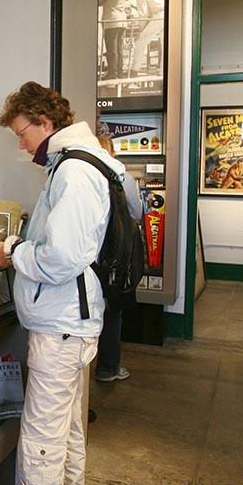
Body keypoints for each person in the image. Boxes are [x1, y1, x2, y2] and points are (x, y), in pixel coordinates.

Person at [0, 82, 117, 485]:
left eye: (20, 133)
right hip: (71, 327)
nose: (20, 146)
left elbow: (62, 258)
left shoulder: (75, 172)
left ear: (42, 120)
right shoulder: (85, 163)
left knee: (39, 454)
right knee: (68, 440)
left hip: (60, 331)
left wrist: (13, 251)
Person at [94, 131, 143, 383]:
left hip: (91, 256)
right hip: (116, 256)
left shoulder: (84, 174)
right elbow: (137, 212)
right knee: (112, 312)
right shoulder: (124, 177)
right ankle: (108, 367)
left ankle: (88, 371)